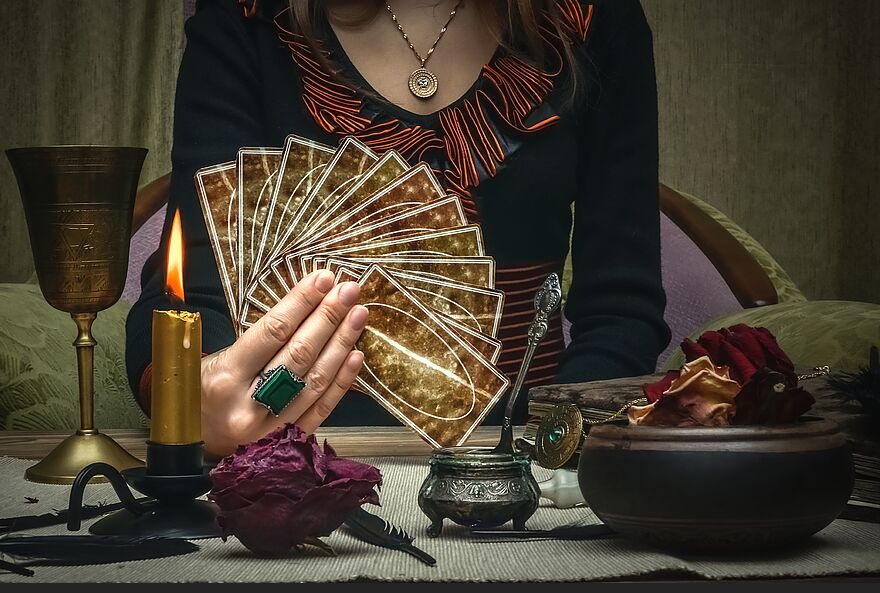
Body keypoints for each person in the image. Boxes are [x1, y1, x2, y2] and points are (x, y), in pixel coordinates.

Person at [126, 0, 670, 456]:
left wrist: (554, 449)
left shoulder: (594, 18)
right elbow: (189, 296)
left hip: (531, 466)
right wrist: (195, 396)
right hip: (291, 459)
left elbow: (621, 309)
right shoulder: (245, 18)